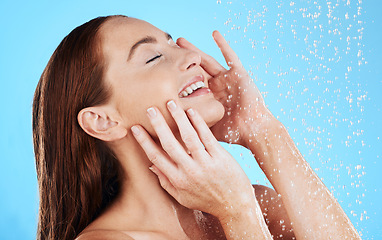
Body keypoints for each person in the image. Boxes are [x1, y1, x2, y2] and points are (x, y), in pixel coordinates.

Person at [32, 15, 360, 240]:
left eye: (174, 43)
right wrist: (238, 214)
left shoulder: (259, 203)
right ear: (103, 121)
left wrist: (263, 130)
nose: (190, 54)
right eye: (151, 58)